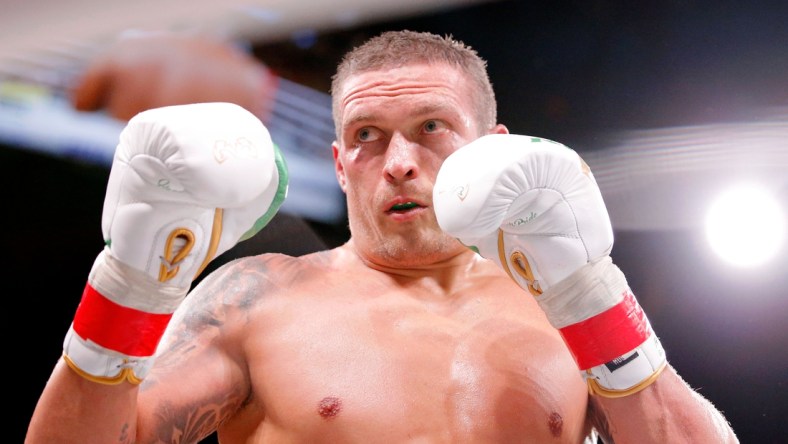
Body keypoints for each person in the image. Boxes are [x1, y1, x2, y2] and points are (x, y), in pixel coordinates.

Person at [26, 30, 738, 443]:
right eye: (367, 137)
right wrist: (129, 286)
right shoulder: (257, 299)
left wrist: (592, 295)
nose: (398, 163)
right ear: (338, 165)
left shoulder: (565, 306)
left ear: (493, 146)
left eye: (431, 127)